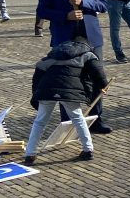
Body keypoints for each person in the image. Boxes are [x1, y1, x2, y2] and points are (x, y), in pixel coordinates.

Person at [36, 0, 111, 134]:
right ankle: (68, 122)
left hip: (90, 38)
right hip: (65, 39)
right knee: (66, 81)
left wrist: (83, 2)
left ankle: (95, 119)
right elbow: (42, 10)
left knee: (95, 79)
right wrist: (65, 15)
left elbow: (103, 5)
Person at [24, 35, 108, 165]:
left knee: (40, 122)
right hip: (70, 91)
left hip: (47, 88)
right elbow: (98, 71)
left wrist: (36, 94)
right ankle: (88, 150)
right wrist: (104, 85)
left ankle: (30, 154)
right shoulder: (87, 54)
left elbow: (39, 70)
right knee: (78, 119)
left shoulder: (54, 54)